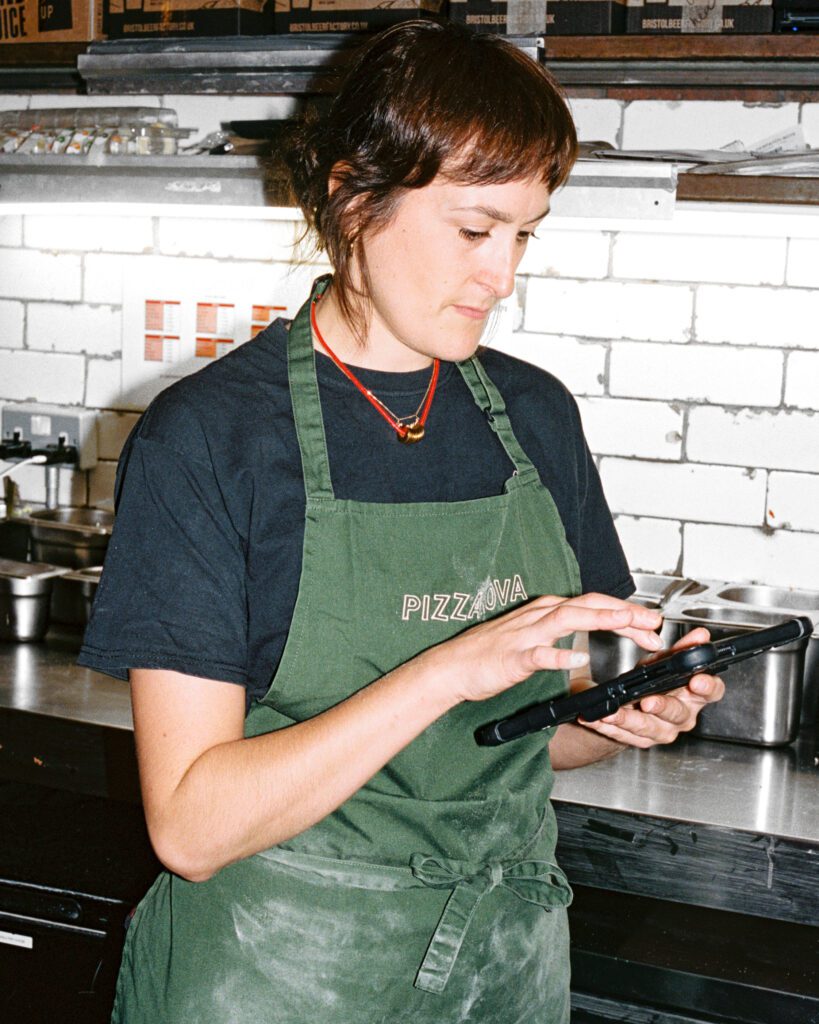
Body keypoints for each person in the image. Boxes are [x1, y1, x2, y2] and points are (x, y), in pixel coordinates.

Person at [79, 20, 724, 1024]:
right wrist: (443, 670)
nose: (501, 276)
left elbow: (520, 739)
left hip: (499, 978)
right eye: (475, 229)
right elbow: (193, 826)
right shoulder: (210, 439)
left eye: (524, 233)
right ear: (353, 197)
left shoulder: (535, 417)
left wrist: (610, 719)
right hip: (276, 983)